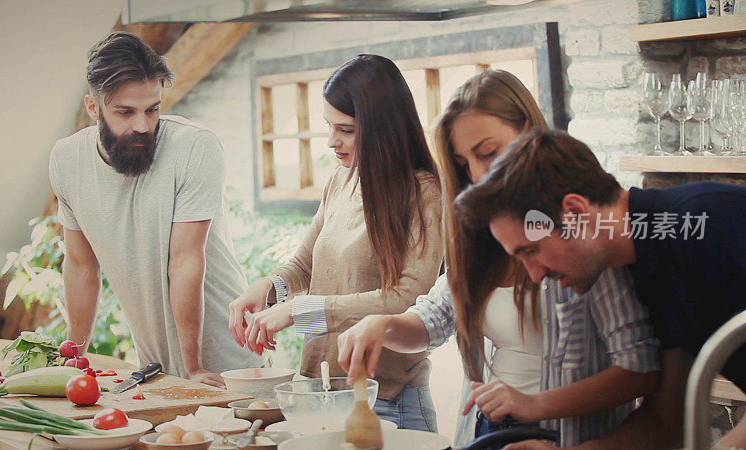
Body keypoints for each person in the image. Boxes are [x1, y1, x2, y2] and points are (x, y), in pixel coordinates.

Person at [337, 72, 661, 448]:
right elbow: (434, 319)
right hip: (489, 430)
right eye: (463, 163)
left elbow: (640, 369)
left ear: (529, 133)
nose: (476, 176)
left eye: (489, 154)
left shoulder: (579, 229)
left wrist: (533, 404)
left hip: (568, 438)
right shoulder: (480, 238)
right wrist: (381, 325)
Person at [456, 128, 746, 449]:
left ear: (576, 212)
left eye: (531, 251)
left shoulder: (708, 224)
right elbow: (665, 422)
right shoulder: (645, 267)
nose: (534, 276)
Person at [228, 54, 443, 432]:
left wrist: (300, 310)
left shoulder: (424, 193)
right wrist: (269, 288)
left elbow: (409, 299)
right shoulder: (342, 181)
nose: (331, 142)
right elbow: (305, 265)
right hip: (319, 393)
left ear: (382, 128)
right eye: (329, 127)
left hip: (387, 402)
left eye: (345, 129)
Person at [49, 31, 261, 387]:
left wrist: (192, 366)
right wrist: (75, 356)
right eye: (125, 112)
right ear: (92, 108)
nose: (142, 126)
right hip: (153, 366)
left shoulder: (193, 146)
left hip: (226, 362)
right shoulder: (67, 160)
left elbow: (184, 261)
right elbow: (82, 266)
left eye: (153, 109)